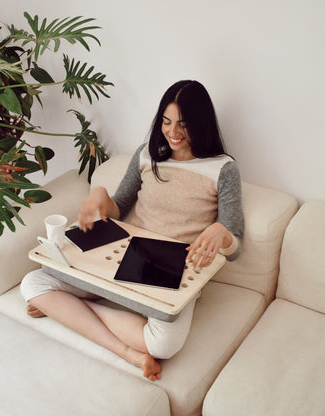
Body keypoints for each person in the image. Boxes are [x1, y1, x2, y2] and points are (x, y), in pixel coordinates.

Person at [20, 80, 244, 381]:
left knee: (163, 344)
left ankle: (75, 309)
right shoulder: (147, 154)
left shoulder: (223, 168)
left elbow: (235, 245)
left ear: (201, 124)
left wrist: (222, 233)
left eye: (184, 125)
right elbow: (119, 208)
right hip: (123, 253)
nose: (173, 133)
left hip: (172, 269)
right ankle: (126, 352)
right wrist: (100, 195)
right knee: (32, 283)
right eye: (166, 122)